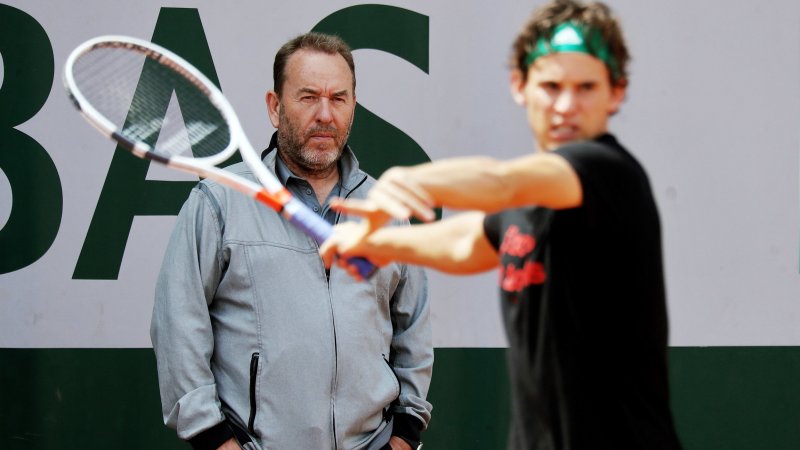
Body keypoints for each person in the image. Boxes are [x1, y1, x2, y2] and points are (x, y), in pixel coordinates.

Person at [320, 1, 683, 448]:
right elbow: (468, 242)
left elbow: (501, 182)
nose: (566, 105)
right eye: (551, 86)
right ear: (520, 85)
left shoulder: (608, 172)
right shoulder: (531, 198)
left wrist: (406, 181)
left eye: (586, 87)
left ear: (616, 92)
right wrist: (381, 244)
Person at [151, 32, 432, 450]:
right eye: (308, 97)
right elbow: (178, 327)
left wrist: (404, 437)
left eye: (338, 98)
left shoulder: (388, 213)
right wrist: (216, 441)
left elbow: (414, 331)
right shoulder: (219, 202)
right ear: (275, 107)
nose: (325, 114)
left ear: (353, 106)